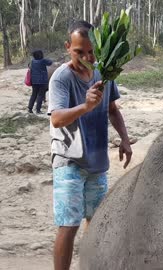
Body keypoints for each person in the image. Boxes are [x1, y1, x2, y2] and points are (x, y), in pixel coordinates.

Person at [48, 20, 133, 270]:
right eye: (79, 51)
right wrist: (85, 106)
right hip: (69, 161)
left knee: (95, 223)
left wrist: (125, 139)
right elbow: (57, 118)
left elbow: (112, 109)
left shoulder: (103, 74)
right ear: (68, 47)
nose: (87, 57)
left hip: (97, 162)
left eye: (91, 51)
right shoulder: (61, 78)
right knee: (69, 224)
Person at [28, 49, 52, 114]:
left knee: (34, 94)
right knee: (40, 95)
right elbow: (50, 62)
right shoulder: (43, 61)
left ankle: (30, 108)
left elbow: (29, 66)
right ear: (41, 55)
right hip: (42, 81)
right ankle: (38, 110)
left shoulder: (32, 61)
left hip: (34, 81)